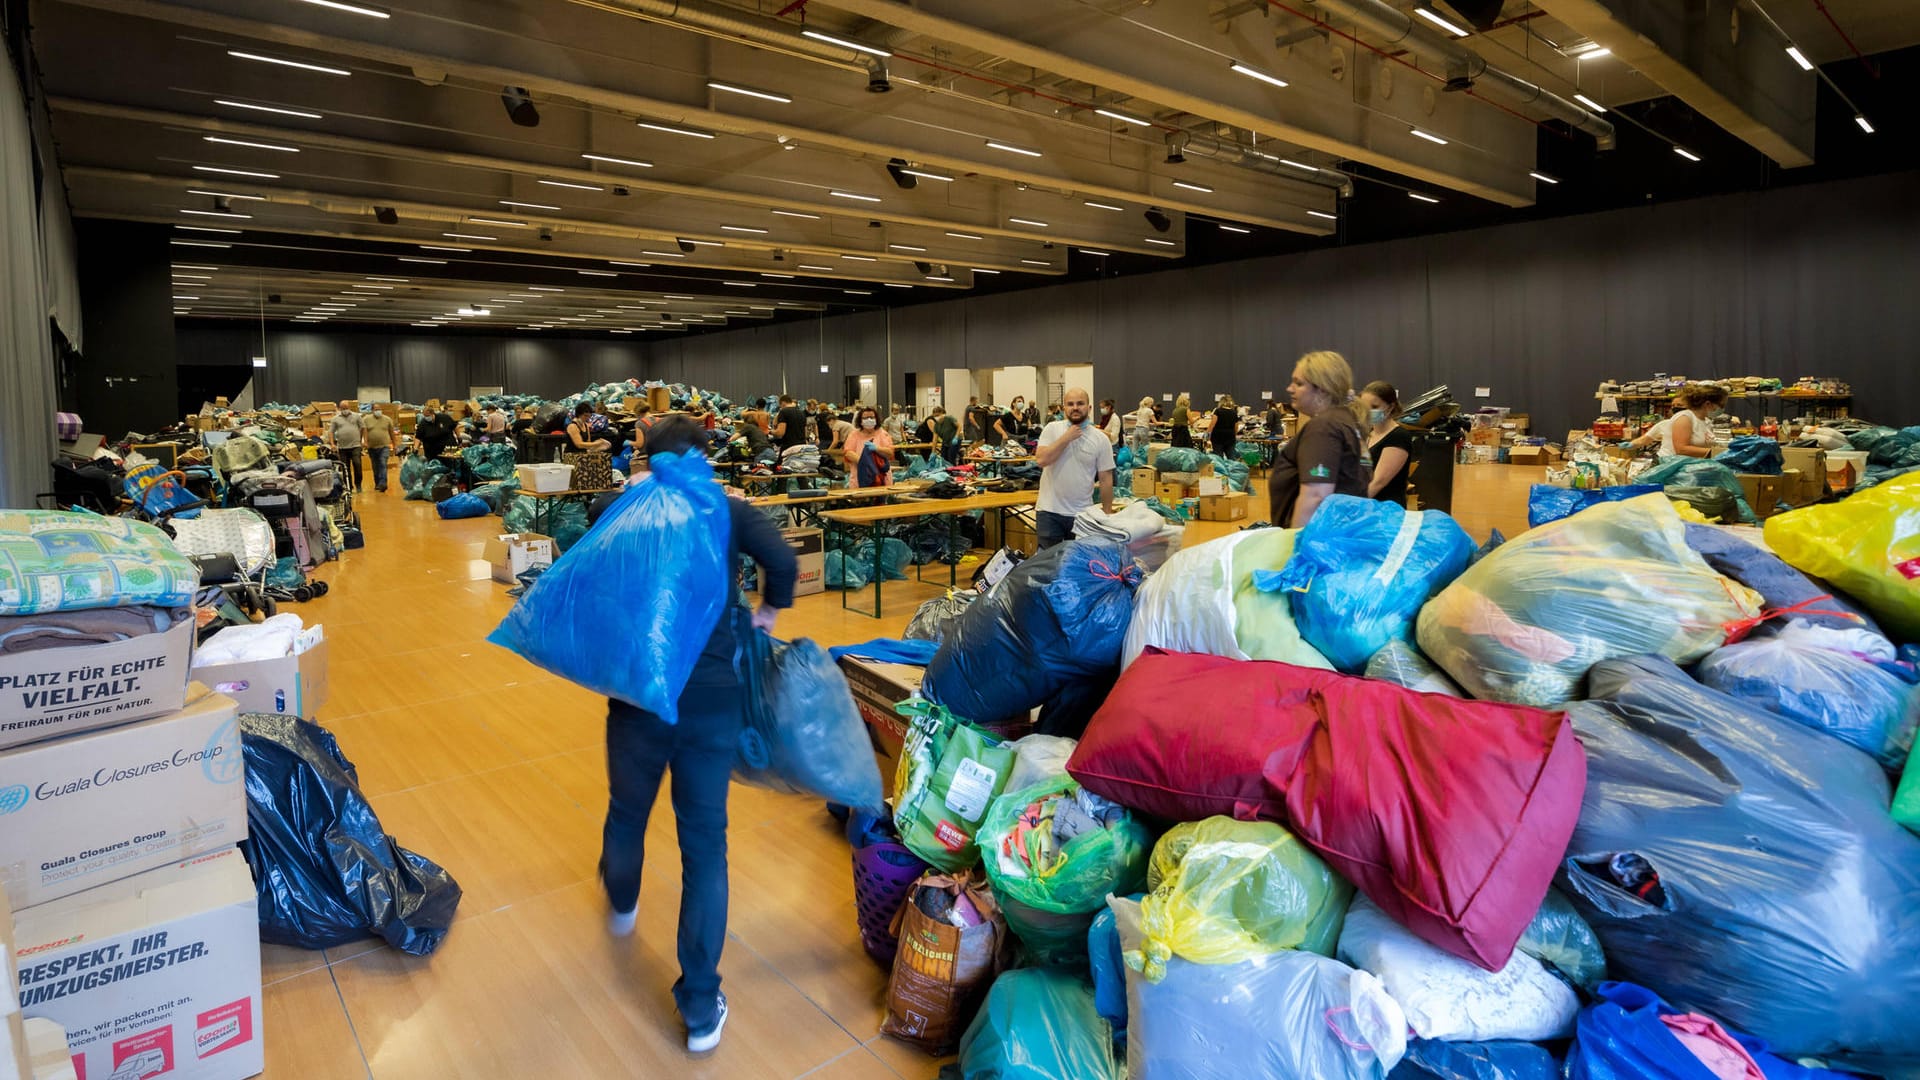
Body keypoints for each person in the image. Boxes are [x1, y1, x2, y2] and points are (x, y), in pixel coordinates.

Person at [590, 415, 796, 1057]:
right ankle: (701, 1007)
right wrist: (763, 610)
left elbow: (586, 576)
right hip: (711, 698)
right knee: (704, 845)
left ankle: (622, 900)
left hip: (638, 695)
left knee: (627, 811)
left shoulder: (624, 509)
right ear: (704, 458)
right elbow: (784, 562)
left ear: (647, 460)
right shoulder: (729, 510)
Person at [1269, 351, 1369, 527]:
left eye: (1298, 383)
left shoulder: (1324, 427)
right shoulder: (1347, 421)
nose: (1289, 388)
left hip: (1319, 541)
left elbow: (1315, 496)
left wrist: (1298, 548)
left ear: (1322, 389)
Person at [1033, 387, 1116, 549]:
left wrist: (1107, 514)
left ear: (1089, 407)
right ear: (1064, 408)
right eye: (1070, 404)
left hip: (1082, 514)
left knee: (1078, 565)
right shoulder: (1052, 429)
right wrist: (1066, 438)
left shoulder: (1100, 439)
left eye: (1080, 403)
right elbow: (1041, 460)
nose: (1075, 407)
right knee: (1047, 566)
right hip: (1049, 512)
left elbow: (1106, 479)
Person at [1359, 381, 1413, 506]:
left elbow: (1378, 482)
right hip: (1367, 507)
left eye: (1374, 407)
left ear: (1390, 407)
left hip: (1387, 511)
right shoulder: (1368, 434)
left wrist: (1353, 505)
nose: (1368, 411)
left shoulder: (1398, 436)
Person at [1659, 385, 1726, 460]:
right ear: (1707, 404)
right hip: (1672, 465)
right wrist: (1718, 452)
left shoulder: (1706, 421)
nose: (1721, 408)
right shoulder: (1684, 418)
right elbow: (1682, 449)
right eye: (1721, 405)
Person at [843, 406, 895, 488]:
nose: (869, 420)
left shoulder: (883, 434)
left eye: (872, 417)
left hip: (882, 479)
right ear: (860, 420)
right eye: (866, 418)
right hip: (859, 477)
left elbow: (890, 453)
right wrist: (865, 462)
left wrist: (877, 449)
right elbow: (848, 453)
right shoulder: (854, 435)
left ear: (876, 419)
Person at [327, 401, 364, 490]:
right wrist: (332, 444)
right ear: (340, 409)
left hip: (355, 445)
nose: (345, 410)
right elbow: (331, 431)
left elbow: (363, 427)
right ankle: (349, 486)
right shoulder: (335, 419)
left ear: (349, 407)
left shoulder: (357, 416)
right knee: (345, 468)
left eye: (346, 408)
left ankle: (358, 484)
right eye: (343, 408)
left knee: (357, 464)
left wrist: (361, 439)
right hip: (342, 447)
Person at [361, 408, 395, 493]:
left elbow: (392, 432)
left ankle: (383, 483)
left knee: (383, 463)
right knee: (375, 466)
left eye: (379, 409)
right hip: (372, 447)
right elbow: (363, 431)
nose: (378, 411)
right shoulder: (366, 419)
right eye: (376, 409)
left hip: (384, 446)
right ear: (372, 410)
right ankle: (377, 483)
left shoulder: (387, 419)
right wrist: (364, 442)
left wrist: (395, 444)